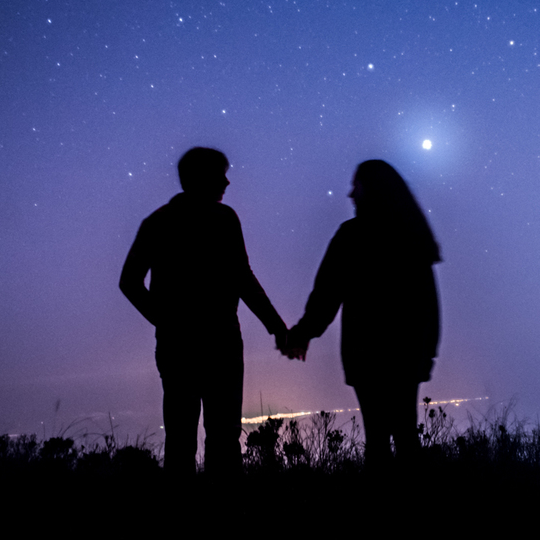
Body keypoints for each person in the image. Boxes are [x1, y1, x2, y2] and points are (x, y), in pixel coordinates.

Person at [120, 147, 287, 478]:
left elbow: (129, 282)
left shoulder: (159, 222)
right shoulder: (221, 219)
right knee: (220, 437)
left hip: (185, 344)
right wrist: (277, 327)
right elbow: (243, 278)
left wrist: (165, 321)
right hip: (218, 343)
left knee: (183, 437)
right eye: (220, 175)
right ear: (201, 178)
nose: (227, 182)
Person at [282, 160, 440, 469]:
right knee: (406, 437)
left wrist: (302, 334)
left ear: (371, 190)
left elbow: (327, 294)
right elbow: (428, 303)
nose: (350, 194)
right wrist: (428, 352)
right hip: (407, 352)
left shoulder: (353, 235)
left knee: (378, 440)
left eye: (357, 186)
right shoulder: (411, 235)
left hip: (366, 353)